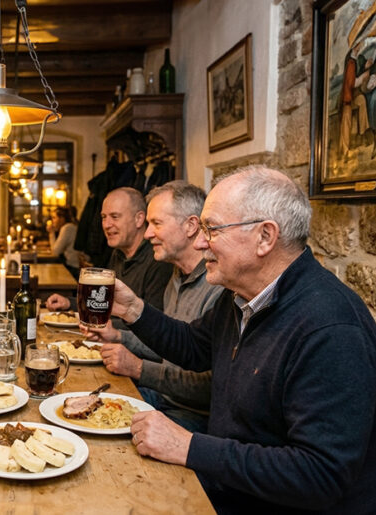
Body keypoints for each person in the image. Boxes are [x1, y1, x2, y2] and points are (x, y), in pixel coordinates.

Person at [90, 166, 376, 513]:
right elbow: (195, 348)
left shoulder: (330, 327)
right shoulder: (240, 296)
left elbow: (320, 475)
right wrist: (134, 309)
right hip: (230, 484)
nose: (199, 242)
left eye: (212, 228)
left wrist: (190, 447)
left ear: (265, 237)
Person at [84, 181, 222, 433]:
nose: (147, 234)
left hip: (193, 415)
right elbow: (169, 349)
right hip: (162, 396)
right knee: (83, 401)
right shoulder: (177, 275)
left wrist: (138, 368)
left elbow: (211, 386)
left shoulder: (218, 288)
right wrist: (118, 335)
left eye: (156, 224)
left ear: (191, 226)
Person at [47, 187, 173, 314]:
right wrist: (70, 303)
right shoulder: (118, 253)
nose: (106, 225)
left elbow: (151, 326)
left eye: (114, 216)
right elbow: (105, 302)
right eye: (103, 217)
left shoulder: (158, 260)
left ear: (139, 219)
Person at [47, 206, 80, 278]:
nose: (52, 221)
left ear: (62, 218)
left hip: (74, 269)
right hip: (74, 267)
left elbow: (55, 252)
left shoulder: (67, 228)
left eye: (54, 217)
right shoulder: (71, 226)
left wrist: (51, 232)